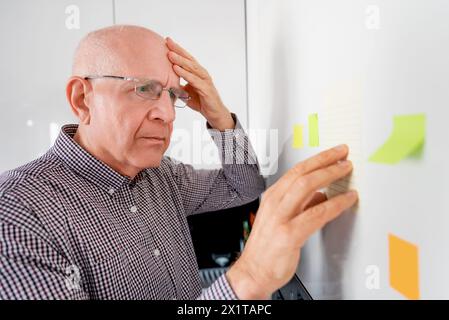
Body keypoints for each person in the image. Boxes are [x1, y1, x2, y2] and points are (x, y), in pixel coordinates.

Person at [0, 25, 357, 299]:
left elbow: (242, 186)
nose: (168, 114)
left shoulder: (159, 174)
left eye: (173, 95)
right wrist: (248, 278)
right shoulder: (18, 212)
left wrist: (220, 118)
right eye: (144, 89)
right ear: (82, 98)